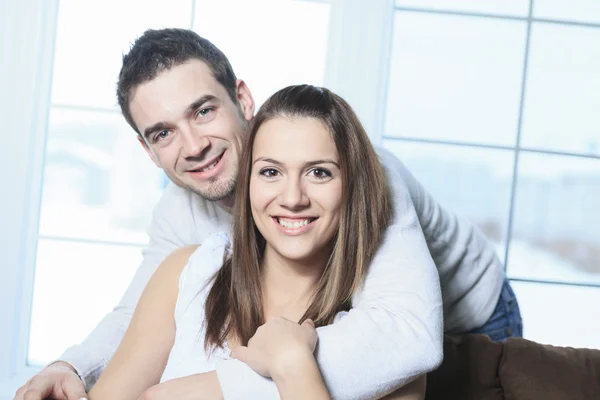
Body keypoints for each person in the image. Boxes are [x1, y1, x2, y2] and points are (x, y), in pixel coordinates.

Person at [15, 28, 521, 400]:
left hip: (469, 316)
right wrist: (74, 367)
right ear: (148, 151)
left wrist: (205, 391)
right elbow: (138, 313)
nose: (193, 146)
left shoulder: (367, 174)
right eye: (163, 133)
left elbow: (408, 337)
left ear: (242, 99)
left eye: (203, 110)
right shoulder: (180, 213)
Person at [85, 83, 428, 400]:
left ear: (352, 187)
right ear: (247, 182)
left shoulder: (386, 348)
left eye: (319, 172)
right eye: (270, 172)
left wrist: (293, 365)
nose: (293, 198)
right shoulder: (189, 275)